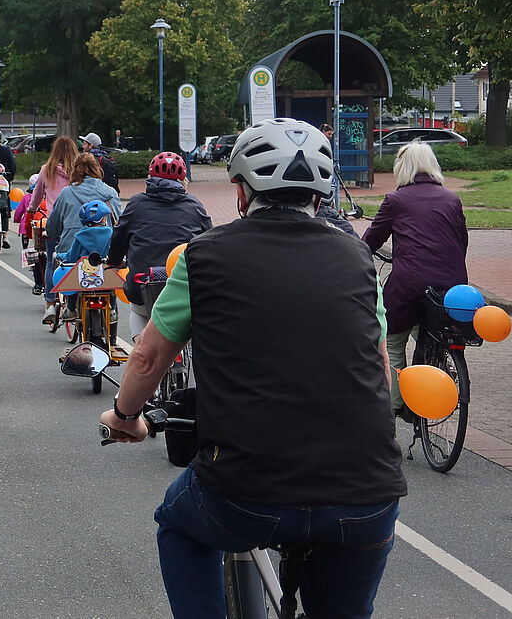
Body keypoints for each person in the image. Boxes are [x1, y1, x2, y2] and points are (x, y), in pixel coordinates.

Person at [101, 117, 404, 619]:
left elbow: (150, 354)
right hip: (367, 494)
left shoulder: (204, 257)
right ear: (320, 195)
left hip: (245, 492)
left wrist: (124, 415)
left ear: (241, 191)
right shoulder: (357, 258)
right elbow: (377, 362)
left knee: (178, 526)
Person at [362, 141, 468, 421]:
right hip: (451, 285)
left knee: (393, 341)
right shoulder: (451, 199)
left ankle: (396, 406)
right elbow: (462, 242)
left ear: (402, 167)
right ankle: (437, 373)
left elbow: (371, 240)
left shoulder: (396, 200)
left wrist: (356, 258)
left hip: (409, 283)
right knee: (436, 333)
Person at [105, 151, 212, 340]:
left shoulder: (137, 204)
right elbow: (210, 242)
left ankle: (141, 347)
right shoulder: (194, 205)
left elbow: (119, 237)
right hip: (184, 286)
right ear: (183, 179)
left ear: (150, 176)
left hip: (144, 284)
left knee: (138, 311)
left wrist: (114, 261)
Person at [42, 154, 120, 325]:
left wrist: (50, 233)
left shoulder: (66, 193)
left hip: (74, 250)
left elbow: (53, 226)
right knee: (110, 273)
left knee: (65, 266)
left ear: (75, 171)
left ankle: (70, 307)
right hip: (106, 251)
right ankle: (112, 310)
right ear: (99, 170)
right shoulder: (110, 193)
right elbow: (120, 222)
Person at [26, 136, 79, 294]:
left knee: (51, 261)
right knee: (75, 260)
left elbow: (37, 194)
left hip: (53, 222)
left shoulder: (46, 169)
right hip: (74, 220)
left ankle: (50, 302)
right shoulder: (78, 170)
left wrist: (31, 208)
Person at [60, 200, 114, 265]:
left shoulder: (80, 236)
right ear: (103, 219)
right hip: (108, 272)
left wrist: (58, 255)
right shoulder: (111, 234)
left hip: (83, 272)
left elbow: (71, 258)